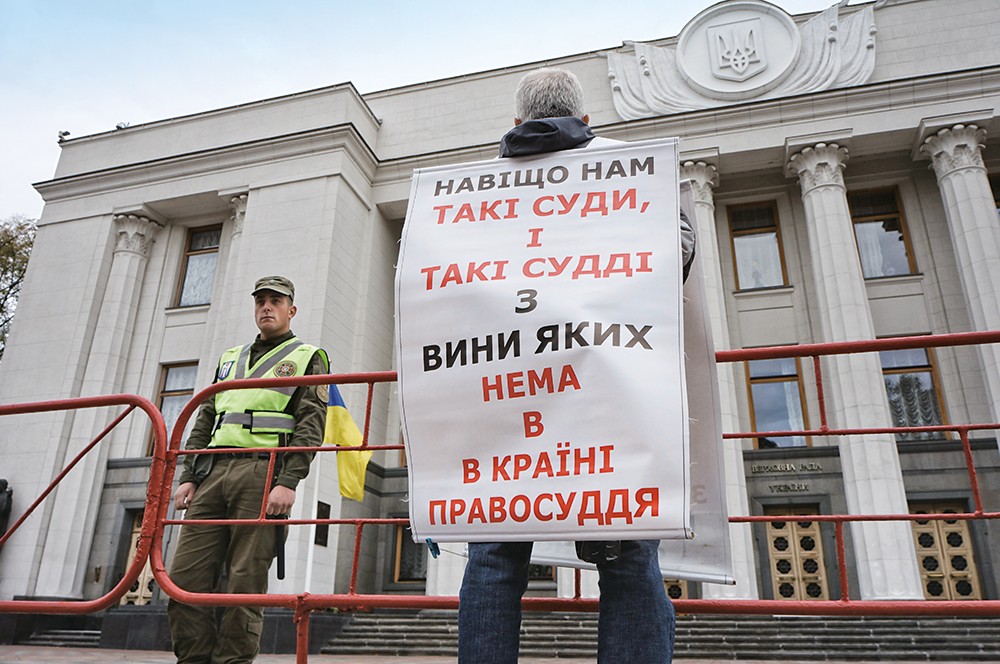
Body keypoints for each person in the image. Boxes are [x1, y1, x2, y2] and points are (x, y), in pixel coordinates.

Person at [457, 68, 696, 664]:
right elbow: (678, 248)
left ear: (516, 123)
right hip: (607, 387)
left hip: (509, 388)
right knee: (628, 554)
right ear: (586, 121)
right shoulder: (627, 166)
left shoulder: (468, 191)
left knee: (494, 553)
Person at [167, 275, 329, 664]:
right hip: (211, 474)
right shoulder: (230, 358)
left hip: (263, 474)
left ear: (291, 309)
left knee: (245, 583)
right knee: (184, 580)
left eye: (276, 301)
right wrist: (188, 475)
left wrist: (288, 482)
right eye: (260, 301)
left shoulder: (308, 356)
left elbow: (311, 425)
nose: (266, 307)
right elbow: (205, 418)